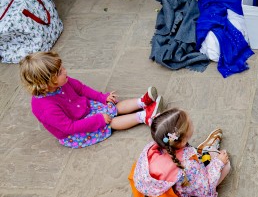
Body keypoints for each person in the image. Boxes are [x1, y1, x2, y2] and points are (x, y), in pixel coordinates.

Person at [21, 51, 162, 148]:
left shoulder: (63, 81)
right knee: (110, 122)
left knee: (113, 106)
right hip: (76, 130)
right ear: (47, 83)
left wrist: (102, 97)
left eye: (61, 67)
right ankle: (144, 116)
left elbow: (81, 89)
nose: (65, 71)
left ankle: (142, 102)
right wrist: (99, 120)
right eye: (59, 72)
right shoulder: (47, 108)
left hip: (85, 108)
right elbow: (69, 127)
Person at [133, 108, 231, 197]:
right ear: (183, 140)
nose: (192, 122)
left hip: (166, 193)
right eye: (190, 123)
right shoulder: (188, 166)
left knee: (204, 163)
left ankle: (204, 152)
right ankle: (207, 150)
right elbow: (204, 187)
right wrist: (218, 163)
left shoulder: (153, 147)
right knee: (226, 165)